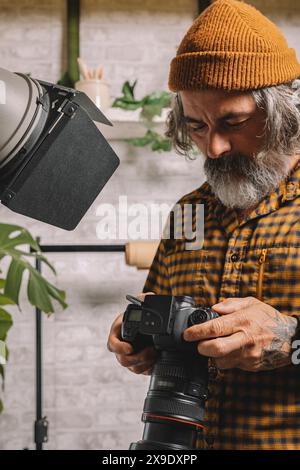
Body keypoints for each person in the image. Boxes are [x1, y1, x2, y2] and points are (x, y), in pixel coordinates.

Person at [107, 0, 300, 449]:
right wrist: (138, 338)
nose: (212, 148)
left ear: (282, 115)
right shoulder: (188, 213)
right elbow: (158, 316)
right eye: (195, 126)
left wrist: (291, 341)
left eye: (233, 122)